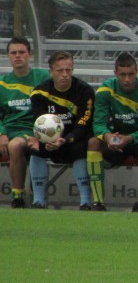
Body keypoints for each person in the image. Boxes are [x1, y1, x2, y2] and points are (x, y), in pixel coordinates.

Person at [87, 52, 138, 211]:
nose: (127, 79)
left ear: (137, 72)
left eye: (131, 74)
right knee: (93, 142)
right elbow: (98, 124)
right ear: (115, 73)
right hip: (117, 139)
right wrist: (108, 136)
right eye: (123, 74)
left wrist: (129, 138)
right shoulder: (105, 90)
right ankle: (98, 203)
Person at [27, 51, 95, 209]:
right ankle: (38, 201)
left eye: (68, 70)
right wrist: (47, 139)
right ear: (51, 71)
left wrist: (65, 140)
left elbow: (83, 125)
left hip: (74, 139)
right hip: (49, 140)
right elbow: (39, 122)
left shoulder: (85, 91)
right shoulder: (39, 93)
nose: (65, 74)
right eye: (60, 71)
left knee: (82, 147)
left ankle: (85, 202)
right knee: (36, 148)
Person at [0, 37, 51, 208]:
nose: (18, 56)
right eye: (13, 53)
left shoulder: (43, 77)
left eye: (22, 52)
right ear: (8, 56)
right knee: (13, 143)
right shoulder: (2, 83)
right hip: (10, 130)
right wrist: (1, 133)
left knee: (15, 146)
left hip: (34, 130)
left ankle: (17, 197)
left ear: (30, 54)